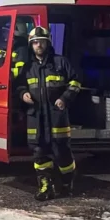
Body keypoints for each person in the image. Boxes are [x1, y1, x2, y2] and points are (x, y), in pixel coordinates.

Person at [19, 25, 82, 200]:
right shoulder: (27, 67)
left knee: (62, 151)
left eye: (42, 42)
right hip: (36, 116)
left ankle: (67, 183)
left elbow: (75, 82)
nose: (38, 45)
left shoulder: (60, 62)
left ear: (48, 44)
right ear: (31, 45)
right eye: (35, 43)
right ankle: (45, 186)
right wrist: (23, 94)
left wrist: (65, 98)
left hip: (56, 115)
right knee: (39, 152)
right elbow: (19, 86)